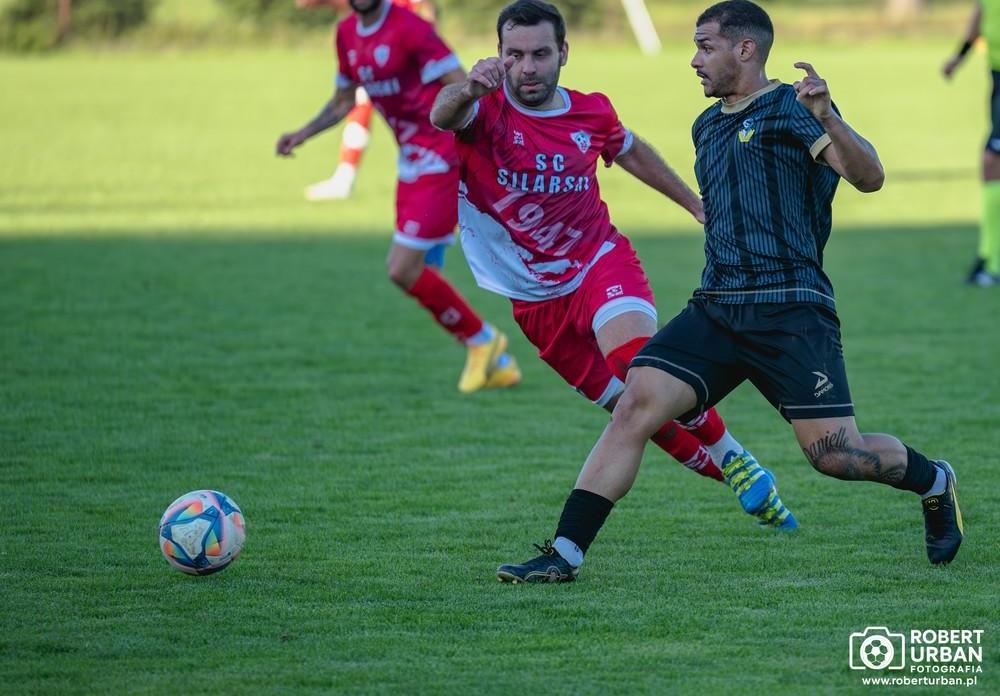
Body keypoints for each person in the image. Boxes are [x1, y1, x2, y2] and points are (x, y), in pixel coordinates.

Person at [496, 0, 964, 583]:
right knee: (635, 401)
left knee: (837, 456)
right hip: (717, 306)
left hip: (791, 308)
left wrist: (829, 118)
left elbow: (869, 178)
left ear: (745, 49)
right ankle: (563, 555)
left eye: (705, 46)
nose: (694, 60)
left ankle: (935, 480)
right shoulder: (706, 125)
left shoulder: (795, 108)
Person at [431, 0, 798, 543]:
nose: (526, 67)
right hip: (534, 298)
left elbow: (631, 152)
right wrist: (467, 87)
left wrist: (696, 205)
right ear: (500, 55)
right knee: (636, 414)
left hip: (599, 261)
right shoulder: (483, 110)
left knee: (638, 366)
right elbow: (442, 114)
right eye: (514, 55)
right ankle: (733, 476)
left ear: (563, 54)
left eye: (539, 54)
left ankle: (732, 453)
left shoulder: (590, 113)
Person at [276, 0, 521, 394]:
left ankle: (484, 342)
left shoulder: (410, 28)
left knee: (402, 267)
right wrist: (302, 134)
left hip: (443, 157)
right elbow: (343, 100)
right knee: (417, 270)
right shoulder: (346, 35)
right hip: (411, 164)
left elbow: (462, 83)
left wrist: (496, 140)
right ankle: (496, 358)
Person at [297, 0, 439, 203]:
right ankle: (345, 177)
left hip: (399, 56)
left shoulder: (402, 19)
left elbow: (425, 8)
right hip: (373, 51)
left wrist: (427, 44)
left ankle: (345, 178)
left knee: (424, 115)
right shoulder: (350, 27)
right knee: (360, 103)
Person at [943, 1, 1000, 286]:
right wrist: (959, 57)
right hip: (997, 79)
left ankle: (991, 260)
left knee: (992, 162)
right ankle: (990, 257)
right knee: (992, 164)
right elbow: (979, 20)